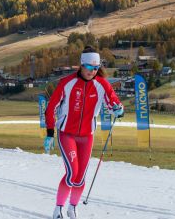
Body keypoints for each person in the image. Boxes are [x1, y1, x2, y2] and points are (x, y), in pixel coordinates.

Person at [45, 46, 124, 219]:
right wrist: (50, 133)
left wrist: (118, 109)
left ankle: (72, 208)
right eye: (88, 67)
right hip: (67, 134)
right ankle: (58, 208)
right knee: (72, 172)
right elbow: (51, 107)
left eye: (95, 68)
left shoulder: (102, 84)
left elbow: (114, 103)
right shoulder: (67, 82)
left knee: (80, 177)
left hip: (87, 136)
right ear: (81, 65)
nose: (92, 71)